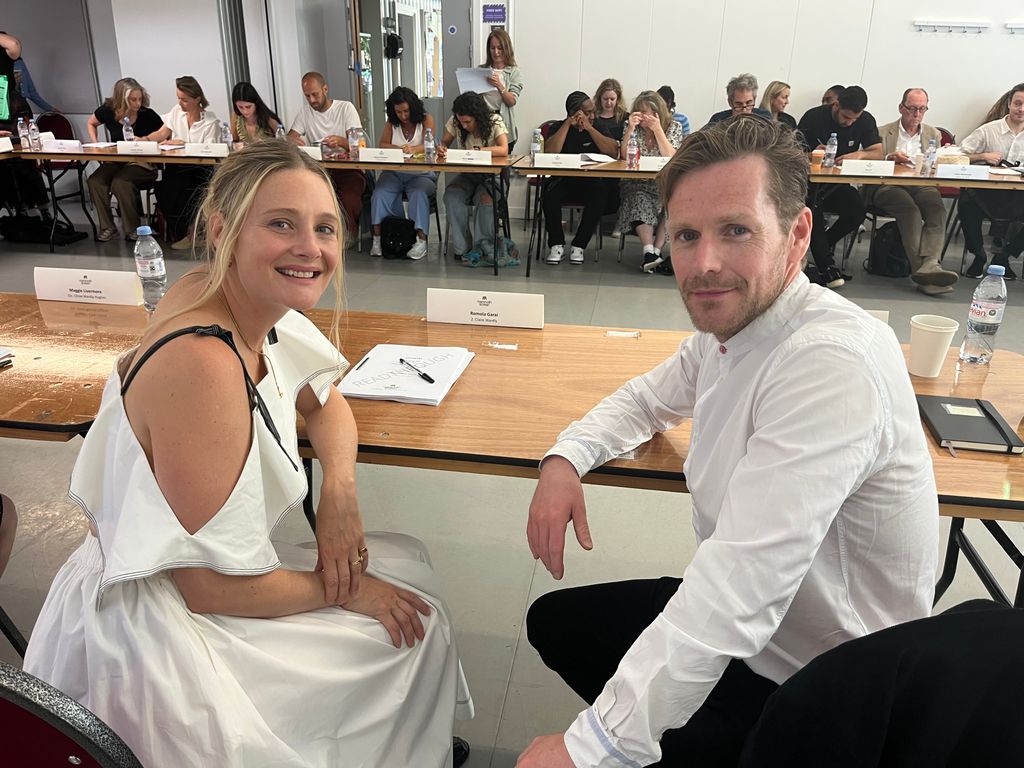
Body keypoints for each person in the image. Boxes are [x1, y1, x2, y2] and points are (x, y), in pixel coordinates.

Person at [23, 140, 474, 768]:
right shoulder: (206, 361)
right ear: (223, 229)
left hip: (182, 580)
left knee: (410, 566)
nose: (309, 249)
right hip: (159, 627)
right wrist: (342, 590)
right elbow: (207, 588)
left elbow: (325, 399)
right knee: (410, 628)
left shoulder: (238, 294)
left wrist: (340, 492)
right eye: (280, 224)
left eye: (323, 228)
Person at [518, 115, 937, 768]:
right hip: (760, 639)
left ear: (797, 234)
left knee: (640, 683)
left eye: (736, 230)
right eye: (687, 235)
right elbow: (644, 400)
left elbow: (739, 585)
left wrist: (591, 747)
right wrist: (564, 457)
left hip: (832, 683)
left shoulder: (831, 361)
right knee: (557, 623)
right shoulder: (737, 327)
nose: (705, 263)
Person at [866, 88, 959, 295]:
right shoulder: (882, 132)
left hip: (921, 183)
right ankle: (923, 273)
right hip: (888, 184)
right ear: (901, 108)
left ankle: (931, 265)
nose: (917, 114)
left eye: (922, 109)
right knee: (910, 210)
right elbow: (869, 161)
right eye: (912, 109)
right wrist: (890, 157)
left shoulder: (933, 133)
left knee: (936, 209)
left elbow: (937, 162)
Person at [797, 85, 882, 288]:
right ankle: (827, 266)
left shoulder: (866, 120)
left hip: (837, 184)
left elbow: (877, 152)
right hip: (809, 184)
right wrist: (810, 153)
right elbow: (791, 151)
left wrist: (859, 154)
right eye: (845, 117)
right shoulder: (813, 117)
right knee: (813, 209)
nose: (849, 122)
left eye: (854, 119)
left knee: (857, 209)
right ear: (836, 105)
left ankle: (822, 247)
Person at [542, 91, 620, 265]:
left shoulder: (597, 125)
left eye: (593, 111)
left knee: (600, 196)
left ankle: (579, 245)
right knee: (549, 194)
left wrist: (590, 128)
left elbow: (613, 151)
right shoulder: (558, 127)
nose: (592, 115)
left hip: (590, 180)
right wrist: (567, 125)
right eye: (587, 112)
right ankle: (556, 244)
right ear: (573, 113)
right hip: (563, 179)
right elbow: (549, 152)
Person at [287, 71, 365, 241]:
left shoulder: (345, 108)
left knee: (348, 197)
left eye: (315, 94)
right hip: (319, 168)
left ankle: (349, 232)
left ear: (325, 89)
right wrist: (293, 140)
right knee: (304, 195)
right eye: (307, 96)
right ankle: (317, 234)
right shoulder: (305, 113)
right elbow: (290, 136)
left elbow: (359, 144)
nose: (312, 100)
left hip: (348, 168)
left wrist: (341, 142)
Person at [86, 77, 165, 243]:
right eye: (132, 100)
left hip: (142, 163)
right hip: (116, 160)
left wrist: (148, 140)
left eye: (139, 99)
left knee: (120, 182)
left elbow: (166, 133)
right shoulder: (108, 111)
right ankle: (108, 227)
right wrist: (96, 144)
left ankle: (133, 230)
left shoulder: (147, 115)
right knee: (95, 181)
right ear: (121, 99)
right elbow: (91, 122)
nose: (137, 104)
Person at [958, 83, 1024, 280]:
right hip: (986, 194)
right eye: (1018, 103)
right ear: (1009, 104)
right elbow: (959, 155)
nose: (1021, 109)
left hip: (1018, 195)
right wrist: (983, 156)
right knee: (966, 204)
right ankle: (978, 255)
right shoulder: (988, 130)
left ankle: (1005, 256)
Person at [617, 90, 684, 274]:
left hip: (664, 182)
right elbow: (624, 156)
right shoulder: (631, 126)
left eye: (647, 113)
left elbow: (672, 157)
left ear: (658, 113)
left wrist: (658, 130)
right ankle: (648, 250)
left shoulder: (674, 127)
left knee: (674, 200)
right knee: (638, 196)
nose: (643, 117)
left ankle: (656, 250)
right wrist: (630, 129)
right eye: (639, 112)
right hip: (637, 182)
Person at [151, 76, 221, 248]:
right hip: (177, 165)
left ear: (197, 99)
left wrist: (185, 144)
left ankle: (190, 233)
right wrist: (143, 139)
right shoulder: (177, 112)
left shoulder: (210, 122)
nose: (180, 103)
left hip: (200, 167)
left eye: (184, 100)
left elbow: (210, 149)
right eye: (178, 98)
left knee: (186, 189)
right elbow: (162, 133)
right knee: (163, 189)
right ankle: (181, 232)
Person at [438, 91, 509, 259]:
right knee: (451, 195)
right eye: (460, 121)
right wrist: (441, 148)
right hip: (469, 174)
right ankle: (462, 248)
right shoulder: (457, 121)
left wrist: (477, 151)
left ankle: (483, 246)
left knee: (486, 198)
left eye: (468, 122)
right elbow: (444, 142)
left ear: (478, 116)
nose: (463, 126)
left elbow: (503, 149)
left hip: (493, 176)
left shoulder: (494, 121)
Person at [369, 86, 437, 260]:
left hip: (421, 174)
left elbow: (429, 144)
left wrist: (413, 149)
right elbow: (382, 144)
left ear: (413, 107)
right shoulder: (391, 123)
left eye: (406, 111)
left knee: (419, 193)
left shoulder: (426, 119)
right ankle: (379, 238)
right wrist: (399, 148)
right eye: (398, 112)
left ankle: (420, 240)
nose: (403, 116)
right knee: (379, 193)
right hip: (395, 173)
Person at [0, 31, 50, 223]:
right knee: (4, 166)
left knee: (23, 160)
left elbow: (13, 44)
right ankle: (18, 209)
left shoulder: (8, 51)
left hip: (12, 109)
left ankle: (41, 207)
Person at [479, 29, 523, 150]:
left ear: (506, 48)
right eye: (492, 48)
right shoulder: (481, 71)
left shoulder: (514, 72)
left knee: (503, 166)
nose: (496, 52)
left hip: (504, 126)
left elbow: (512, 101)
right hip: (483, 124)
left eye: (500, 48)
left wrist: (499, 85)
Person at [706, 73, 773, 125]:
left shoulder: (764, 118)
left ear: (754, 99)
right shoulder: (717, 120)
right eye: (739, 104)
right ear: (730, 102)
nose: (744, 110)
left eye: (749, 103)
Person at [592, 78, 626, 142]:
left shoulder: (625, 118)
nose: (608, 103)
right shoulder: (592, 117)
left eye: (612, 99)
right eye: (605, 99)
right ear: (600, 98)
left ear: (618, 99)